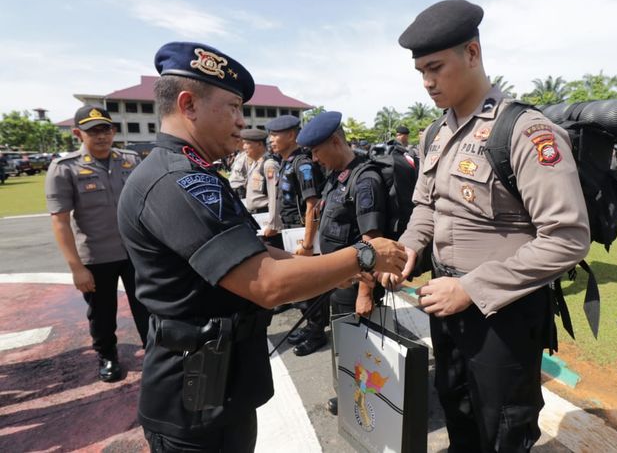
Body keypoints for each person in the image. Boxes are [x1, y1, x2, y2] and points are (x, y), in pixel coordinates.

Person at [116, 41, 406, 452]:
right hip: (193, 399)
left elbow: (256, 254)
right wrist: (363, 255)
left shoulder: (191, 173)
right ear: (188, 105)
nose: (241, 121)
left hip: (219, 383)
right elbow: (267, 282)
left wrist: (342, 267)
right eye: (232, 107)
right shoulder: (176, 182)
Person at [383, 0, 590, 452]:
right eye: (420, 71)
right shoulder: (434, 133)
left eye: (435, 67)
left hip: (503, 310)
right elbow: (427, 205)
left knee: (503, 425)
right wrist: (407, 248)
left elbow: (567, 238)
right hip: (445, 299)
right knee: (457, 407)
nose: (427, 82)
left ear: (472, 53)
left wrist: (472, 289)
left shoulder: (524, 131)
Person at [45, 105, 149, 382]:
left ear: (113, 131)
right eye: (93, 131)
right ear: (78, 133)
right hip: (96, 256)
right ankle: (108, 357)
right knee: (102, 313)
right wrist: (76, 268)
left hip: (135, 253)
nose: (101, 136)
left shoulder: (130, 159)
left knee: (147, 305)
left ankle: (154, 352)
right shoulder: (64, 168)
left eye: (105, 129)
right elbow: (60, 222)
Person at [297, 110, 388, 416]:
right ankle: (349, 392)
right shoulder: (337, 176)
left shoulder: (365, 180)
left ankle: (364, 401)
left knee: (359, 347)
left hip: (355, 285)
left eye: (317, 151)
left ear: (335, 141)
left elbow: (372, 241)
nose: (315, 158)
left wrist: (365, 291)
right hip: (339, 279)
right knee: (342, 343)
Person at [267, 114, 329, 356]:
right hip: (292, 233)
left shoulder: (302, 164)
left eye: (275, 134)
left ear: (291, 135)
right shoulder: (286, 162)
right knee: (301, 287)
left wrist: (308, 242)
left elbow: (312, 205)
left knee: (312, 286)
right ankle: (309, 325)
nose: (271, 139)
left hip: (303, 235)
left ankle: (316, 333)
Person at [238, 128, 274, 215]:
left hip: (265, 213)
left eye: (247, 143)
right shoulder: (255, 163)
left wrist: (273, 222)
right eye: (244, 143)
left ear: (259, 144)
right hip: (255, 213)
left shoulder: (268, 165)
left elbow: (274, 197)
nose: (244, 147)